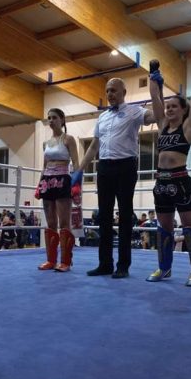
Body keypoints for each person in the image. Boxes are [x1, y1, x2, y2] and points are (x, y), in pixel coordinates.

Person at [73, 77, 157, 279]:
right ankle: (105, 264)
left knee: (125, 216)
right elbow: (94, 146)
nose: (110, 94)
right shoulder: (102, 117)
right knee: (104, 216)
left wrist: (157, 89)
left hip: (126, 166)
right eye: (107, 90)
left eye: (114, 90)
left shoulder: (135, 111)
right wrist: (79, 170)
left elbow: (156, 116)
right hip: (104, 167)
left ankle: (123, 265)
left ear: (123, 92)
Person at [145, 57, 191, 287]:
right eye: (168, 106)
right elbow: (155, 97)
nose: (169, 109)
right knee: (164, 228)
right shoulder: (162, 125)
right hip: (161, 183)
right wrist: (153, 73)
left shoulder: (188, 127)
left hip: (181, 182)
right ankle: (164, 268)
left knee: (189, 228)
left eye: (174, 106)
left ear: (184, 110)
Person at [35, 108, 79, 272]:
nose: (51, 120)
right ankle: (51, 260)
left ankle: (66, 261)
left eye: (54, 117)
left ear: (62, 120)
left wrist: (76, 184)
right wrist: (39, 185)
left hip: (63, 179)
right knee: (51, 222)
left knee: (64, 222)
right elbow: (44, 165)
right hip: (47, 181)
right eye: (49, 118)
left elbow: (76, 163)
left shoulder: (68, 139)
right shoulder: (45, 143)